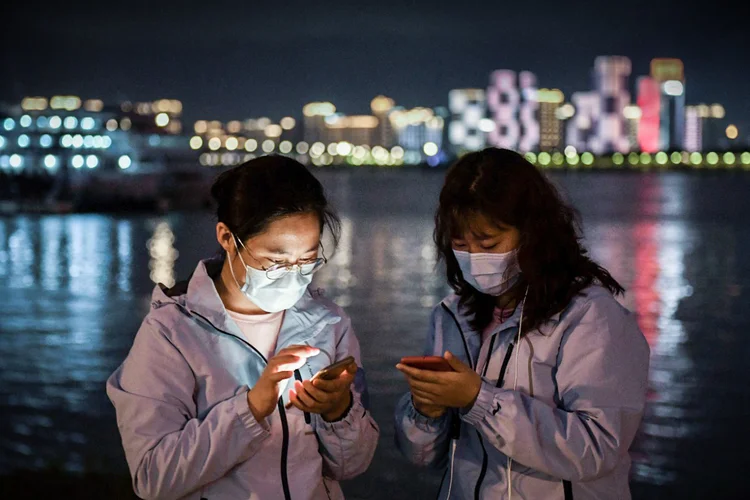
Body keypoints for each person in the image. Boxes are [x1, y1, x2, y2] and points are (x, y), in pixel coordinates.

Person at [107, 156, 379, 500]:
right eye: (276, 261)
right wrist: (250, 409)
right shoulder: (171, 333)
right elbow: (153, 478)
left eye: (307, 259)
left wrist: (339, 412)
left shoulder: (329, 323)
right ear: (227, 237)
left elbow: (352, 466)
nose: (293, 273)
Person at [394, 148, 649, 499]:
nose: (475, 257)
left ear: (532, 232)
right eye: (460, 245)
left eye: (489, 243)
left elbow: (598, 448)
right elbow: (424, 457)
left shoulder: (590, 318)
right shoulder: (452, 316)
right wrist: (425, 412)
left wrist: (479, 400)